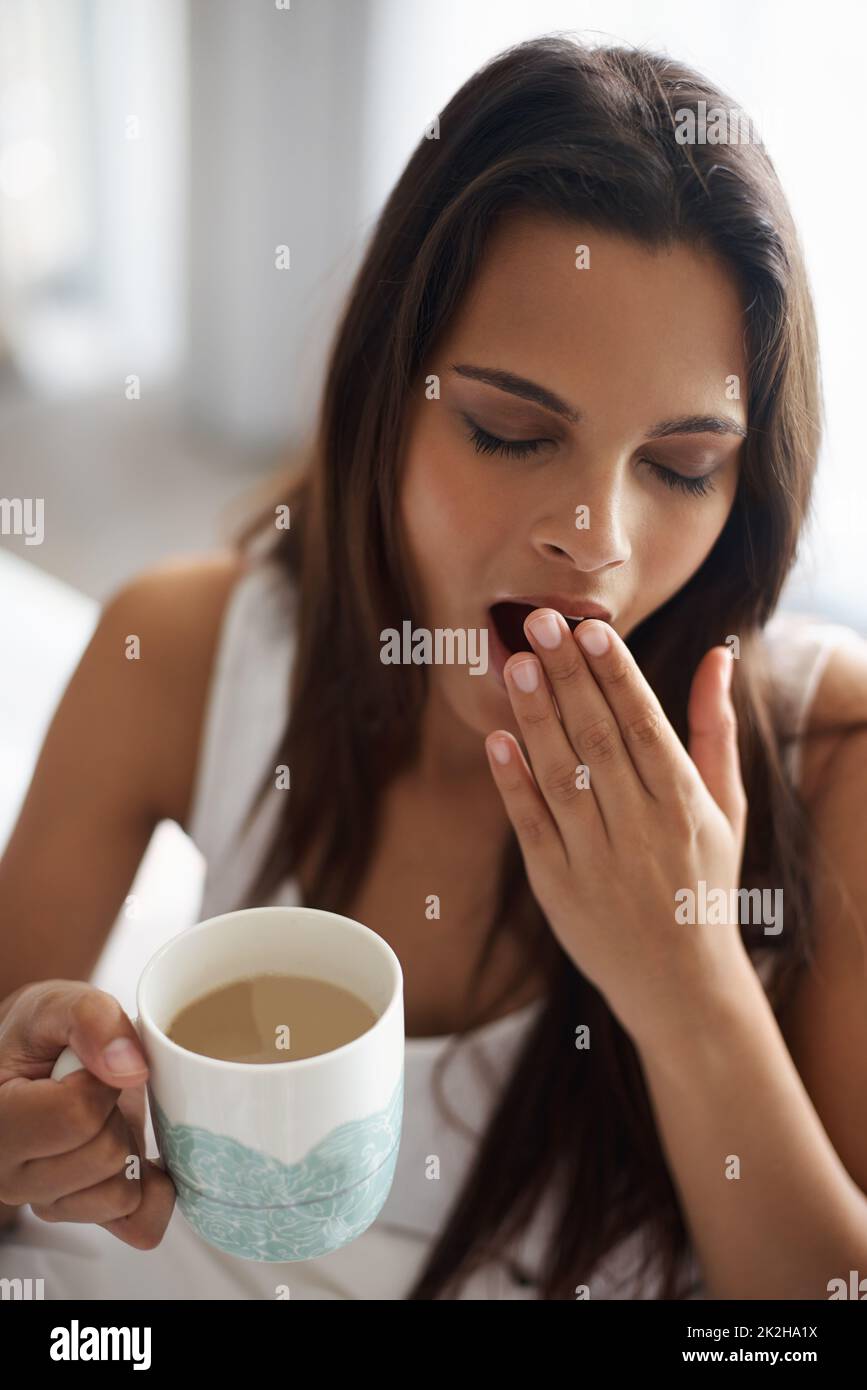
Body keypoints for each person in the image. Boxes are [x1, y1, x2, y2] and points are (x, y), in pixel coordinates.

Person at [2, 36, 867, 1301]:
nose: (598, 540)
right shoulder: (184, 655)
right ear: (379, 404)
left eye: (682, 466)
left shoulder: (828, 759)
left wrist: (687, 981)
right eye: (510, 431)